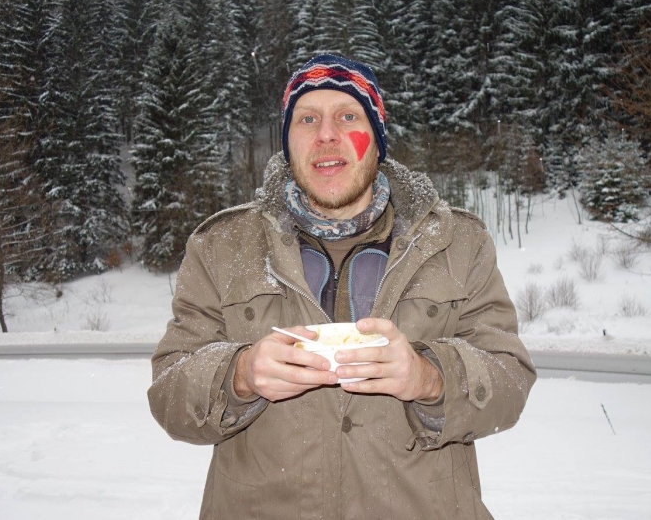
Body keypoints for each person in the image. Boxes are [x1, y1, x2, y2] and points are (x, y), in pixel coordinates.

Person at [147, 53, 536, 519]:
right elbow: (168, 394)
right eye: (307, 119)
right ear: (288, 142)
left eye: (348, 116)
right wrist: (241, 374)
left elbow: (510, 380)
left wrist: (428, 377)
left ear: (378, 139)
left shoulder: (457, 241)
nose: (326, 134)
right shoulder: (221, 245)